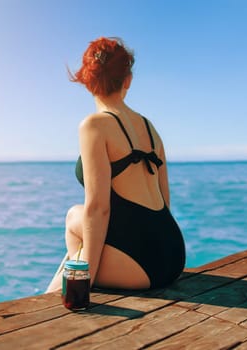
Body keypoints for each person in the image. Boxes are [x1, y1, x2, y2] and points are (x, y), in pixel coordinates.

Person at [46, 37, 185, 293]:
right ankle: (62, 286)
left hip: (141, 268)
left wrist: (85, 278)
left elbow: (98, 208)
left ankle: (65, 293)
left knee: (74, 217)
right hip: (173, 254)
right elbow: (165, 201)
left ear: (87, 81)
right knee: (80, 227)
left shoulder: (94, 125)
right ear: (128, 80)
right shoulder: (150, 128)